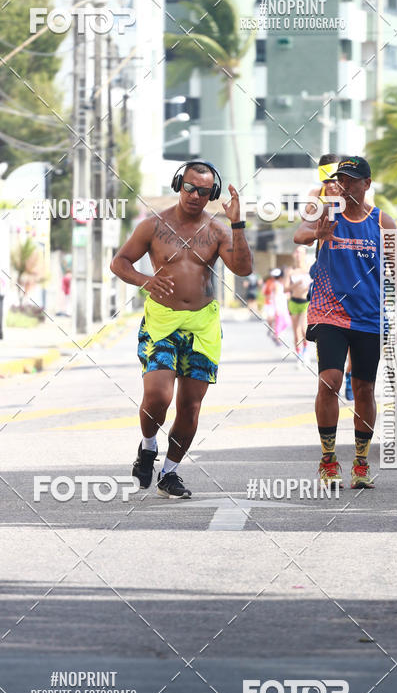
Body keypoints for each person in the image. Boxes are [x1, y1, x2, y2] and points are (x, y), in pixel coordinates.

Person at [110, 160, 252, 498]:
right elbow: (119, 262)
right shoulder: (153, 226)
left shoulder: (217, 230)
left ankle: (170, 473)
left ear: (212, 194)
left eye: (204, 191)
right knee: (158, 395)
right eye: (190, 187)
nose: (195, 195)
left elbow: (244, 269)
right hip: (163, 321)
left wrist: (238, 224)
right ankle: (147, 448)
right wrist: (146, 281)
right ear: (179, 185)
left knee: (190, 406)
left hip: (202, 325)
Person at [294, 156, 396, 489]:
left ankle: (362, 464)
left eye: (352, 179)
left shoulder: (383, 222)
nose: (346, 185)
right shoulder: (327, 213)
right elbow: (299, 235)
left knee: (365, 387)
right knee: (330, 381)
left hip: (369, 316)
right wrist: (315, 234)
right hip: (330, 312)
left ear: (367, 184)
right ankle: (328, 460)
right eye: (341, 179)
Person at [286, 246, 311, 358]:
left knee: (303, 329)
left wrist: (307, 287)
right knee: (296, 333)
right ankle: (299, 354)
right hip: (294, 302)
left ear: (305, 254)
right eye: (297, 252)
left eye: (301, 252)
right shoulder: (290, 271)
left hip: (306, 302)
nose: (298, 255)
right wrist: (296, 284)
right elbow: (285, 288)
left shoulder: (310, 269)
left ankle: (305, 350)